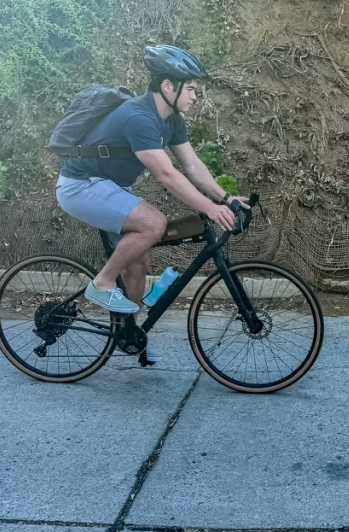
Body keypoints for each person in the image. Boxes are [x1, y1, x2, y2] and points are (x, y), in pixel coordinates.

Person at [55, 45, 249, 362]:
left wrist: (225, 198)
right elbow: (167, 174)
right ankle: (102, 282)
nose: (195, 96)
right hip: (81, 186)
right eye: (190, 88)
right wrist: (212, 209)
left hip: (112, 187)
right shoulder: (139, 117)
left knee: (139, 264)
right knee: (154, 224)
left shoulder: (171, 120)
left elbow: (193, 166)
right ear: (167, 86)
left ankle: (128, 335)